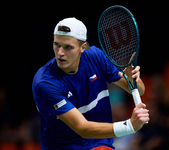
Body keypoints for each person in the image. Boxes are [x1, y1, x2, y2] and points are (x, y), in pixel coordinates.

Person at [32, 17, 149, 150]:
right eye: (57, 44)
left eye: (68, 47)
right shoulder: (45, 82)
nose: (60, 53)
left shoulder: (96, 57)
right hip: (62, 147)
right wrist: (129, 126)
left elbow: (138, 90)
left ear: (82, 47)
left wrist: (133, 79)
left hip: (98, 143)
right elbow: (83, 128)